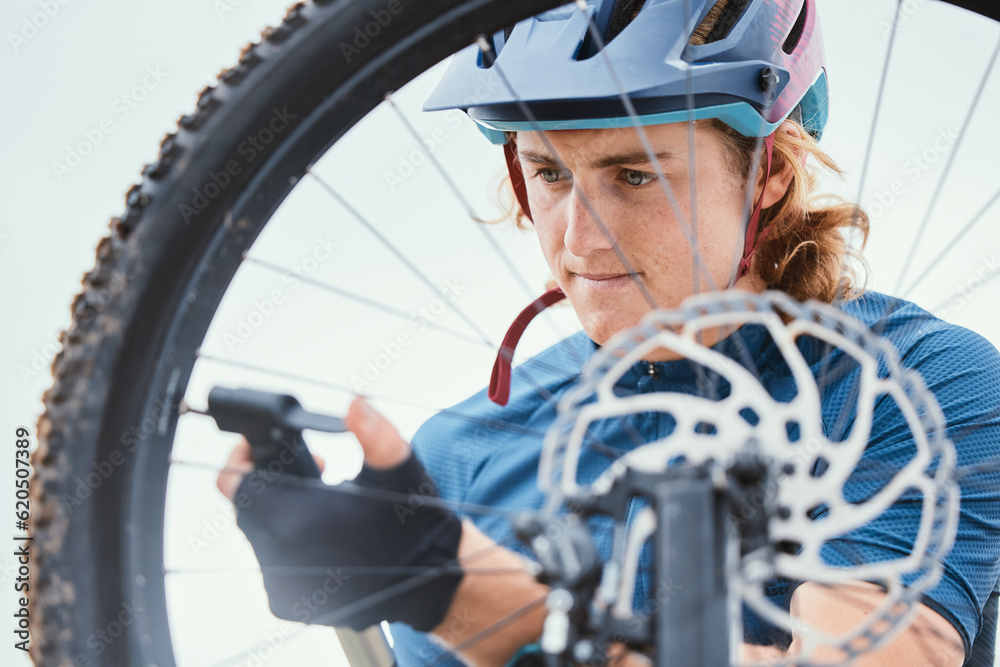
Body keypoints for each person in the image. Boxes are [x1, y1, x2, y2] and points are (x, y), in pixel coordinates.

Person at [216, 1, 1000, 665]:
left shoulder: (920, 382)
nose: (581, 240)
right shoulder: (461, 454)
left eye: (635, 175)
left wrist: (482, 603)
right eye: (551, 174)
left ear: (768, 171)